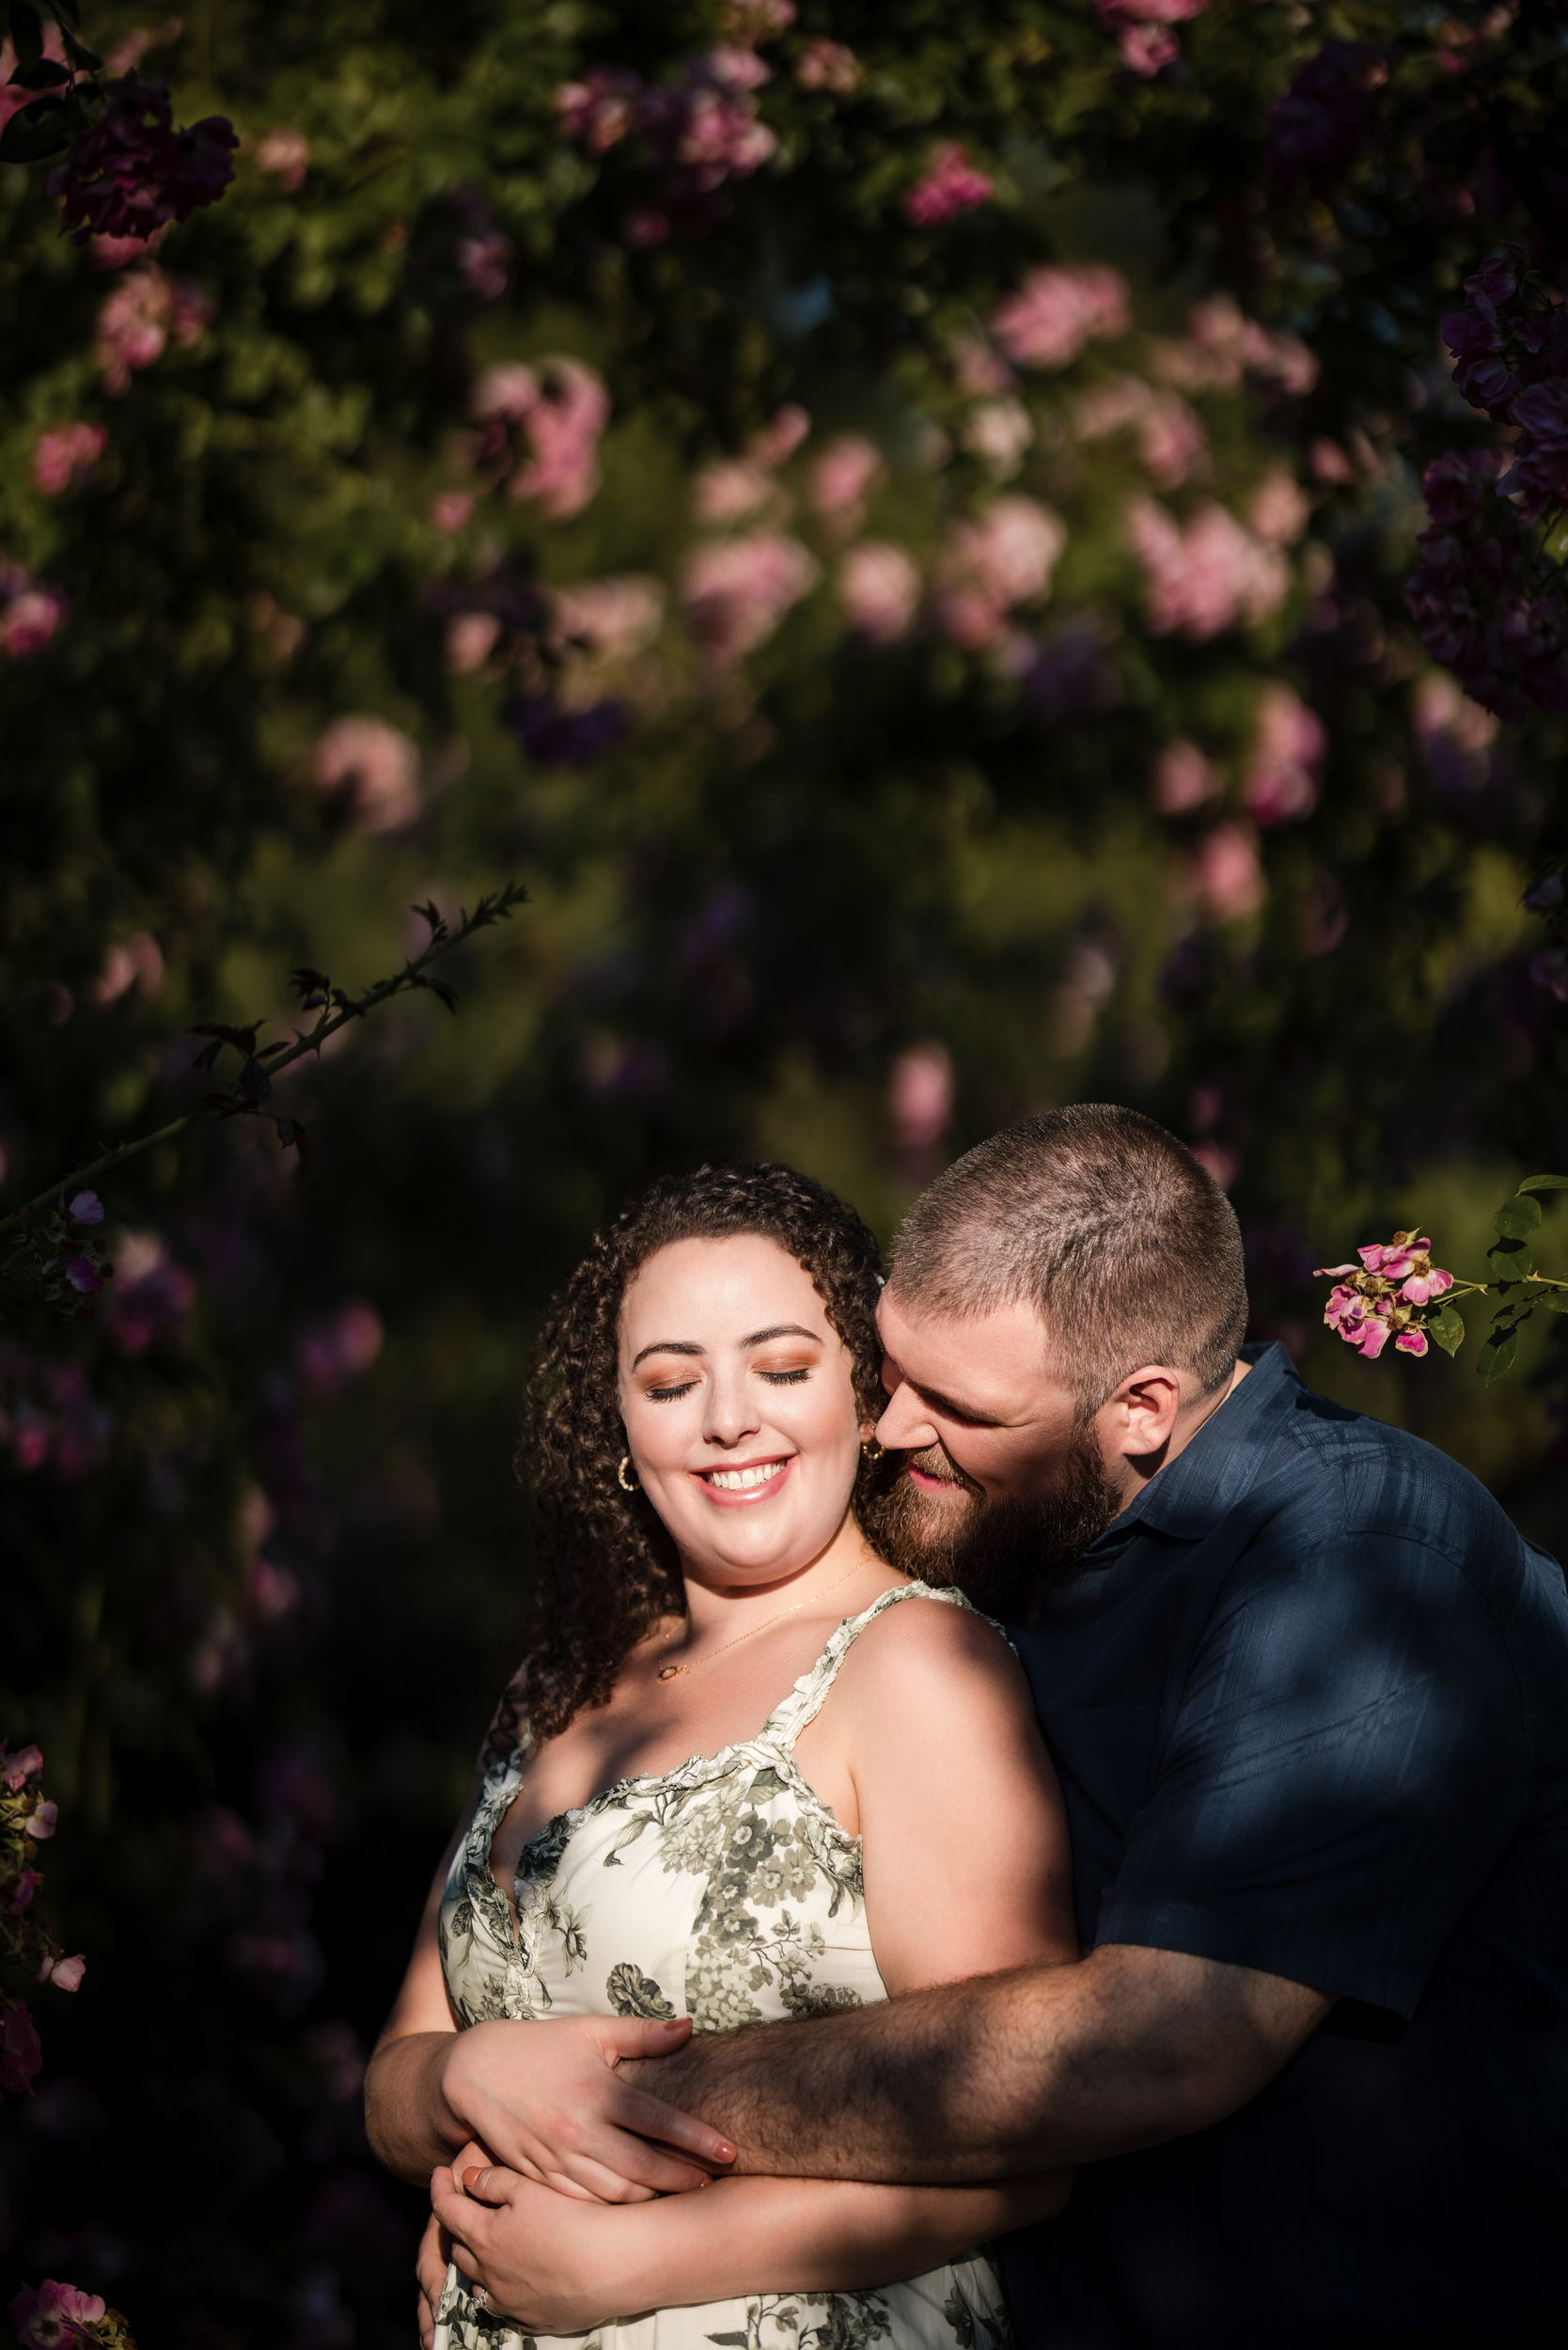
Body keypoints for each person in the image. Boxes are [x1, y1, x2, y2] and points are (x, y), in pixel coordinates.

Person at [425, 1106, 1568, 2348]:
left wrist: (611, 2104)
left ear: (1138, 1408)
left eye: (952, 1402)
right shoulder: (1030, 1521)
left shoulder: (1358, 1557)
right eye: (892, 1366)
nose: (894, 1423)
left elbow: (1163, 2042)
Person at [366, 1160, 1079, 2350]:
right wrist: (462, 2080)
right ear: (617, 1427)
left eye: (784, 1368)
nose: (728, 1418)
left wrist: (635, 2260)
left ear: (868, 1396)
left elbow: (1021, 2138)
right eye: (670, 1382)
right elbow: (393, 2072)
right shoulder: (565, 1685)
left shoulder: (917, 1669)